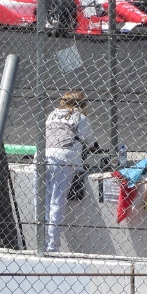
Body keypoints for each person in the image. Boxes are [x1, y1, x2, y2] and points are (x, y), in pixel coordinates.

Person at [44, 90, 95, 253]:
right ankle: (52, 247)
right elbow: (91, 143)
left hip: (43, 156)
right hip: (64, 158)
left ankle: (41, 242)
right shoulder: (80, 117)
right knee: (57, 203)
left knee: (43, 203)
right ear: (82, 104)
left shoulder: (52, 115)